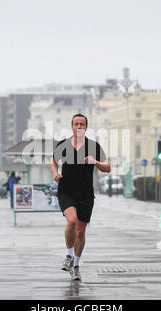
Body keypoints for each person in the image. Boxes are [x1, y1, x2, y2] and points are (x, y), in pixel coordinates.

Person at [51, 114, 110, 281]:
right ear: (71, 126)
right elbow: (53, 160)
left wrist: (96, 162)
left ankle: (75, 265)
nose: (79, 126)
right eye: (76, 123)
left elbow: (108, 167)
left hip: (85, 193)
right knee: (72, 221)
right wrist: (56, 173)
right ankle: (68, 256)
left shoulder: (93, 146)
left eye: (82, 124)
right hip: (66, 190)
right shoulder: (64, 145)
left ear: (86, 127)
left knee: (81, 231)